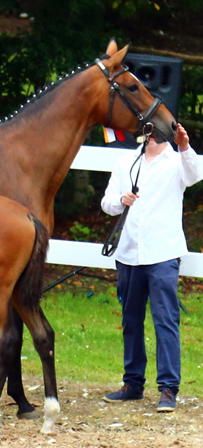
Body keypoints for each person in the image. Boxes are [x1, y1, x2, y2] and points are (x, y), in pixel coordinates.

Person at [101, 123, 203, 412]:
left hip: (163, 253)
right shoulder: (126, 162)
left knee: (165, 320)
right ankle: (133, 384)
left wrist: (184, 145)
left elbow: (196, 175)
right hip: (129, 254)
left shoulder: (177, 161)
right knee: (131, 322)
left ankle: (168, 388)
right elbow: (107, 202)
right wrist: (121, 201)